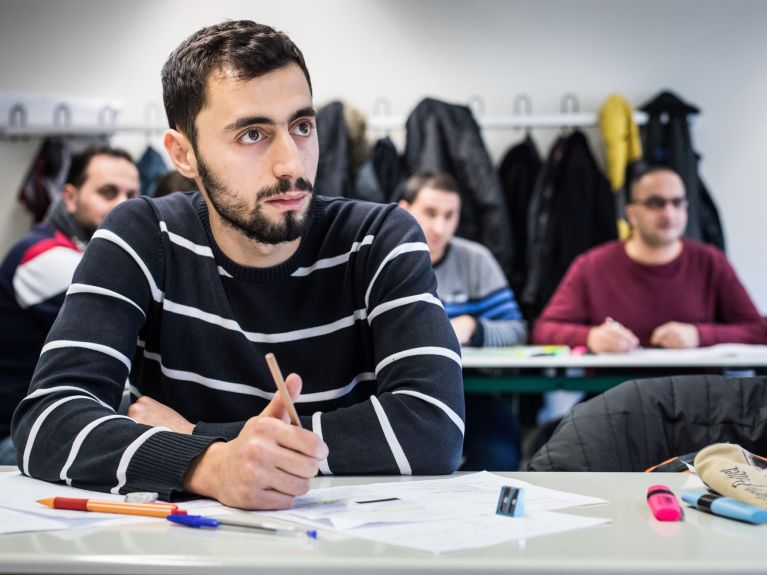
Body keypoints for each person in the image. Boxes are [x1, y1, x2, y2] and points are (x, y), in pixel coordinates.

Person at [12, 20, 464, 509]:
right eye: (252, 134)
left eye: (302, 126)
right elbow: (47, 420)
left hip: (347, 546)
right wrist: (210, 468)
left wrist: (198, 438)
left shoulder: (379, 239)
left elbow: (434, 426)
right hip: (186, 546)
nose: (290, 164)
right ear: (183, 154)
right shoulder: (143, 236)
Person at [0, 146, 139, 465]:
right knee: (150, 406)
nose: (122, 205)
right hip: (17, 433)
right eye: (107, 192)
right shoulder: (43, 257)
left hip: (53, 418)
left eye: (131, 193)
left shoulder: (87, 251)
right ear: (70, 197)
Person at [532, 165, 766, 351]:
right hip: (613, 397)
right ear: (632, 213)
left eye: (677, 203)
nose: (668, 213)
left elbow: (758, 330)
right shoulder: (592, 265)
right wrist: (590, 336)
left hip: (697, 400)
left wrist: (700, 335)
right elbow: (543, 330)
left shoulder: (710, 262)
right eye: (656, 203)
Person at [400, 171, 526, 470]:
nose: (439, 227)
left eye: (449, 215)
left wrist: (474, 327)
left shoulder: (476, 260)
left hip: (474, 394)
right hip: (402, 398)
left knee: (500, 458)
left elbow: (517, 329)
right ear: (404, 210)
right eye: (429, 213)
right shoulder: (383, 259)